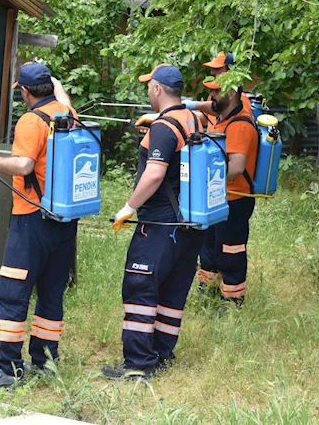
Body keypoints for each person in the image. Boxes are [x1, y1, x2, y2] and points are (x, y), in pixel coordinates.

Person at [0, 62, 77, 391]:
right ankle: (45, 362)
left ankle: (7, 369)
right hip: (63, 220)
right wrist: (56, 84)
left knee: (10, 293)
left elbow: (24, 164)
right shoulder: (66, 114)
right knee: (51, 292)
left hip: (32, 218)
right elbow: (64, 97)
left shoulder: (31, 121)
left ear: (26, 92)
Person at [103, 64, 205, 380]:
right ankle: (161, 354)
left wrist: (128, 208)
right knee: (173, 291)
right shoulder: (193, 118)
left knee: (140, 288)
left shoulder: (163, 127)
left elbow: (155, 173)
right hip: (189, 223)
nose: (148, 90)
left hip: (160, 225)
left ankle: (138, 363)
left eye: (149, 85)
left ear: (158, 89)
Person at [199, 78, 259, 305]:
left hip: (235, 199)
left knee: (230, 251)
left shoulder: (239, 125)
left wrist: (204, 183)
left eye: (216, 91)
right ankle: (209, 293)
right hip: (217, 197)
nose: (211, 96)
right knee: (209, 247)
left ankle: (233, 301)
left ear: (231, 94)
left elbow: (236, 168)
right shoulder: (220, 118)